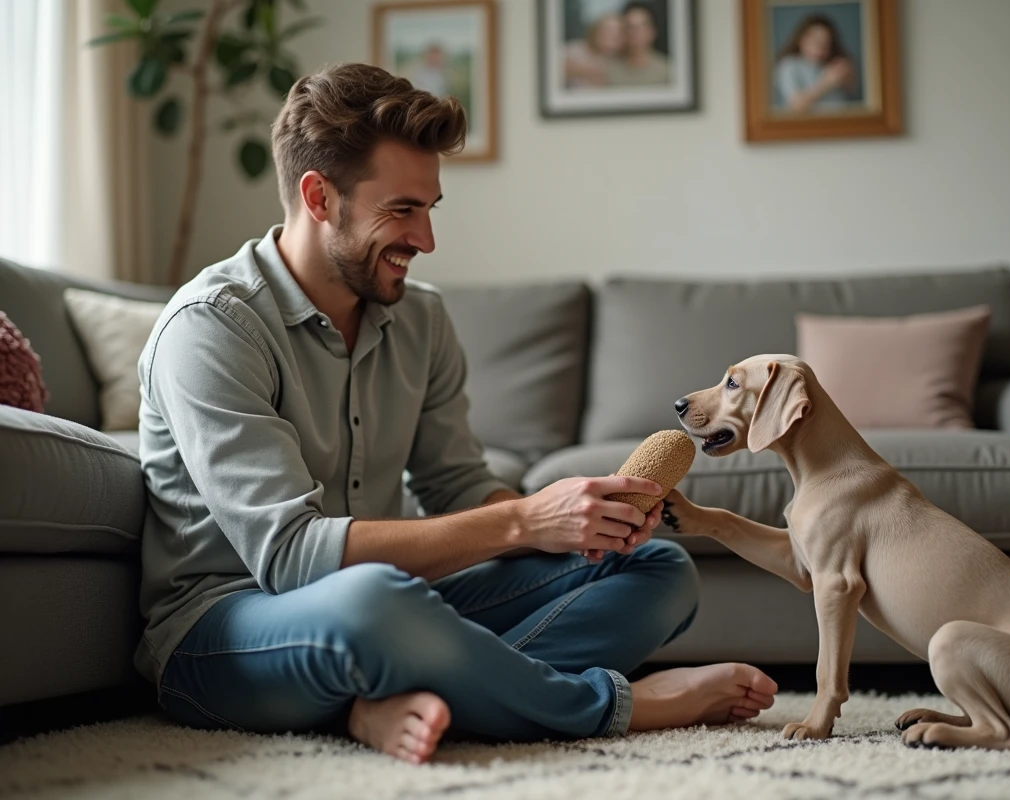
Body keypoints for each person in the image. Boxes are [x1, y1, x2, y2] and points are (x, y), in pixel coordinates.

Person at [134, 63, 778, 765]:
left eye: (430, 208)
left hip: (397, 610)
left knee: (660, 571)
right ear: (320, 198)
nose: (427, 239)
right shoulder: (211, 328)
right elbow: (291, 558)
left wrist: (571, 529)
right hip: (224, 628)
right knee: (375, 603)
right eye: (401, 210)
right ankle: (606, 707)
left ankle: (398, 701)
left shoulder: (423, 319)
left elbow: (457, 487)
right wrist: (522, 519)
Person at [773, 14, 857, 114]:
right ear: (801, 40)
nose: (820, 47)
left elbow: (852, 96)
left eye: (826, 43)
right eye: (816, 41)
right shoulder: (788, 66)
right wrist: (827, 82)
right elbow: (796, 105)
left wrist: (848, 77)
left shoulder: (833, 64)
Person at [607, 2, 671, 87]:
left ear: (652, 32)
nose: (633, 32)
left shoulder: (667, 71)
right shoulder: (607, 69)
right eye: (628, 27)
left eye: (639, 27)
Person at [563, 13, 624, 88]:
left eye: (614, 33)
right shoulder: (572, 50)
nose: (608, 35)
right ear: (595, 30)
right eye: (605, 30)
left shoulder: (618, 60)